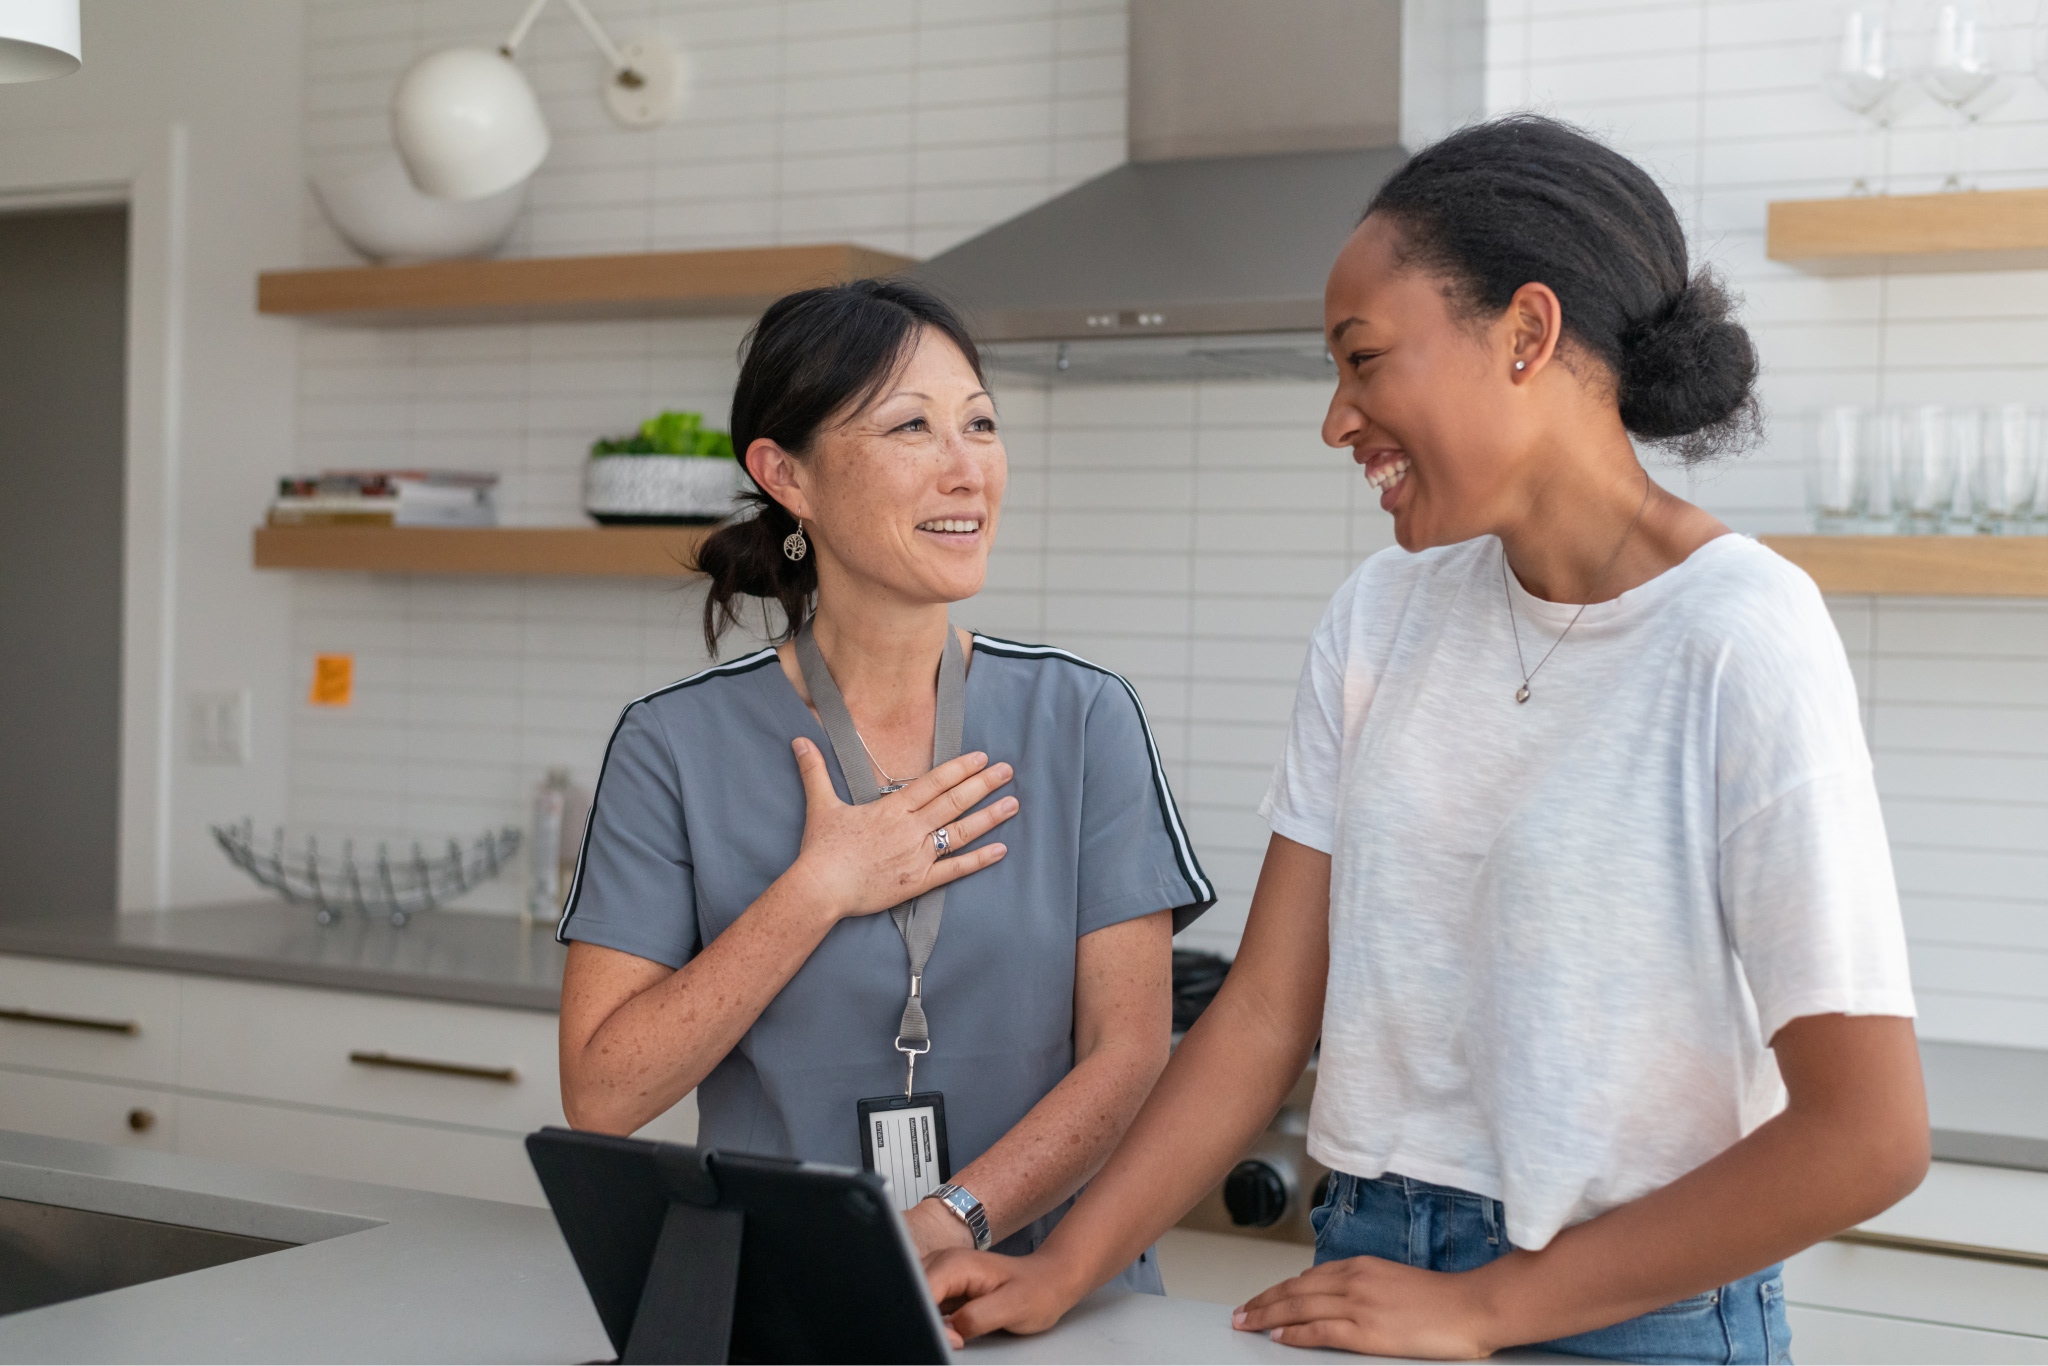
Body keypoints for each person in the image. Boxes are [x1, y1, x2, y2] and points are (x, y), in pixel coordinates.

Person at [927, 115, 1927, 1364]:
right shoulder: (1381, 613)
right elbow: (1263, 1013)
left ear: (1525, 334)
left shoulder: (1739, 631)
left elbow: (1866, 1135)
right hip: (1361, 1265)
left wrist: (1482, 1306)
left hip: (1624, 1312)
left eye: (1362, 359)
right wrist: (1061, 1265)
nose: (1335, 420)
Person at [553, 279, 1214, 1286]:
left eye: (979, 424)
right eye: (912, 427)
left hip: (1043, 1298)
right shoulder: (672, 743)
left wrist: (956, 1220)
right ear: (787, 475)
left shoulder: (1084, 717)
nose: (967, 470)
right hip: (784, 1295)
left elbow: (1128, 1053)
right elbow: (603, 1094)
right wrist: (817, 889)